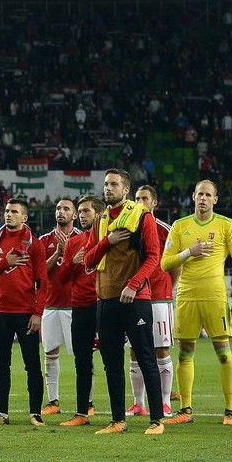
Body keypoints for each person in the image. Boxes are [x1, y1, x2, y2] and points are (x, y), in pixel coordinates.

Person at [83, 168, 164, 435]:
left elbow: (154, 258)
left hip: (135, 298)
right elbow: (88, 260)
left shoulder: (143, 217)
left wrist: (133, 284)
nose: (108, 188)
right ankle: (118, 420)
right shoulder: (100, 221)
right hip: (106, 299)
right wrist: (108, 240)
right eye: (106, 184)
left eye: (114, 184)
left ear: (126, 190)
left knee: (145, 358)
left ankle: (156, 421)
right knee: (112, 363)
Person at [161, 179, 232, 427]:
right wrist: (190, 252)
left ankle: (230, 411)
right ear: (193, 196)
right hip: (186, 297)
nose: (203, 198)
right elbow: (165, 263)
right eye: (200, 194)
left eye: (208, 195)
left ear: (215, 199)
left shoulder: (226, 225)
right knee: (185, 354)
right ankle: (186, 409)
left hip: (215, 297)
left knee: (223, 353)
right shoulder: (179, 226)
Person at [0, 198, 47, 427]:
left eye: (14, 212)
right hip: (1, 312)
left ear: (24, 217)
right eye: (7, 211)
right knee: (1, 363)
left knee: (33, 366)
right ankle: (2, 413)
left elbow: (43, 283)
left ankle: (35, 413)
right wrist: (4, 263)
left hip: (26, 313)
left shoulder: (34, 245)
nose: (9, 215)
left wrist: (38, 313)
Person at [126, 185, 178, 419]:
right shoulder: (127, 226)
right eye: (136, 198)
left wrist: (169, 289)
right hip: (134, 297)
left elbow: (175, 264)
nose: (139, 202)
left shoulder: (164, 229)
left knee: (161, 349)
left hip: (158, 297)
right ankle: (138, 403)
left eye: (144, 198)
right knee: (134, 350)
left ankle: (166, 403)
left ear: (154, 203)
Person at [58, 195, 105, 426]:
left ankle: (121, 414)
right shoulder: (73, 242)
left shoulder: (107, 238)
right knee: (82, 361)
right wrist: (72, 263)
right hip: (80, 307)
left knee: (111, 360)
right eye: (81, 211)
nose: (82, 215)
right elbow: (62, 279)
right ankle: (82, 413)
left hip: (104, 305)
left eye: (86, 211)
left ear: (98, 214)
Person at [40, 198, 80, 416]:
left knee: (82, 355)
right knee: (50, 353)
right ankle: (53, 401)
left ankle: (88, 403)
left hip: (76, 306)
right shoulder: (44, 240)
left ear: (74, 215)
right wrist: (57, 252)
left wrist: (68, 254)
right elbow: (39, 274)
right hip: (50, 305)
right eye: (58, 208)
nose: (61, 212)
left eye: (66, 209)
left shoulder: (84, 239)